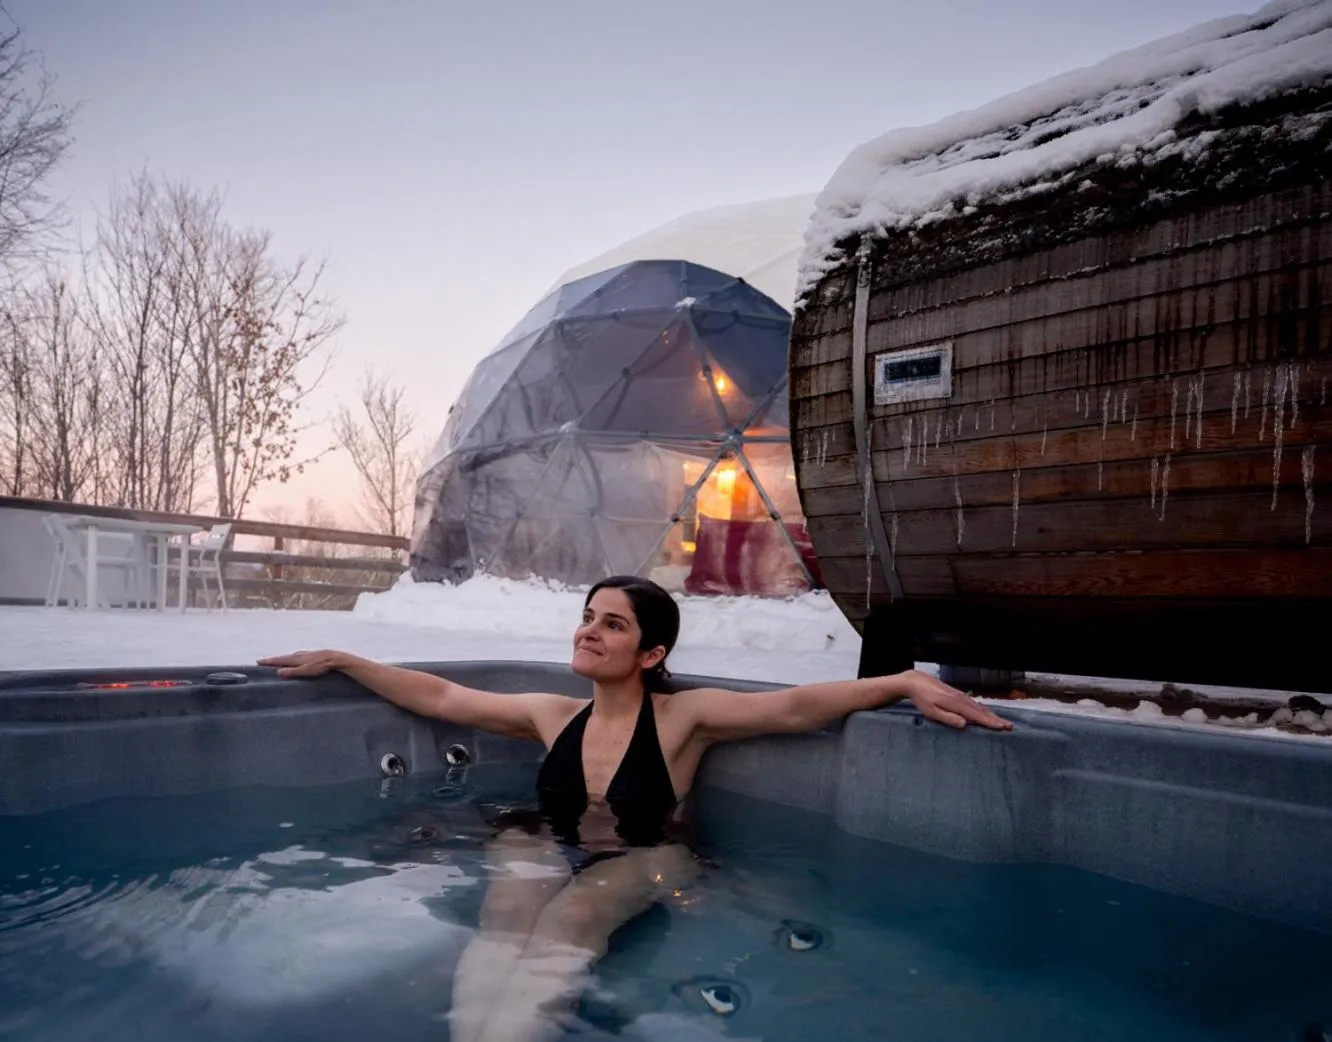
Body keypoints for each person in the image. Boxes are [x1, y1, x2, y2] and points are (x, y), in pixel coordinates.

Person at [258, 576, 1011, 1041]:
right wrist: (348, 659)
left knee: (571, 920)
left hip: (649, 851)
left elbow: (795, 706)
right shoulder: (553, 713)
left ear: (651, 653)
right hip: (548, 834)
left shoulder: (685, 717)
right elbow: (445, 697)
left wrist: (902, 683)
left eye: (612, 623)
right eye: (589, 616)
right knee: (509, 905)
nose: (589, 629)